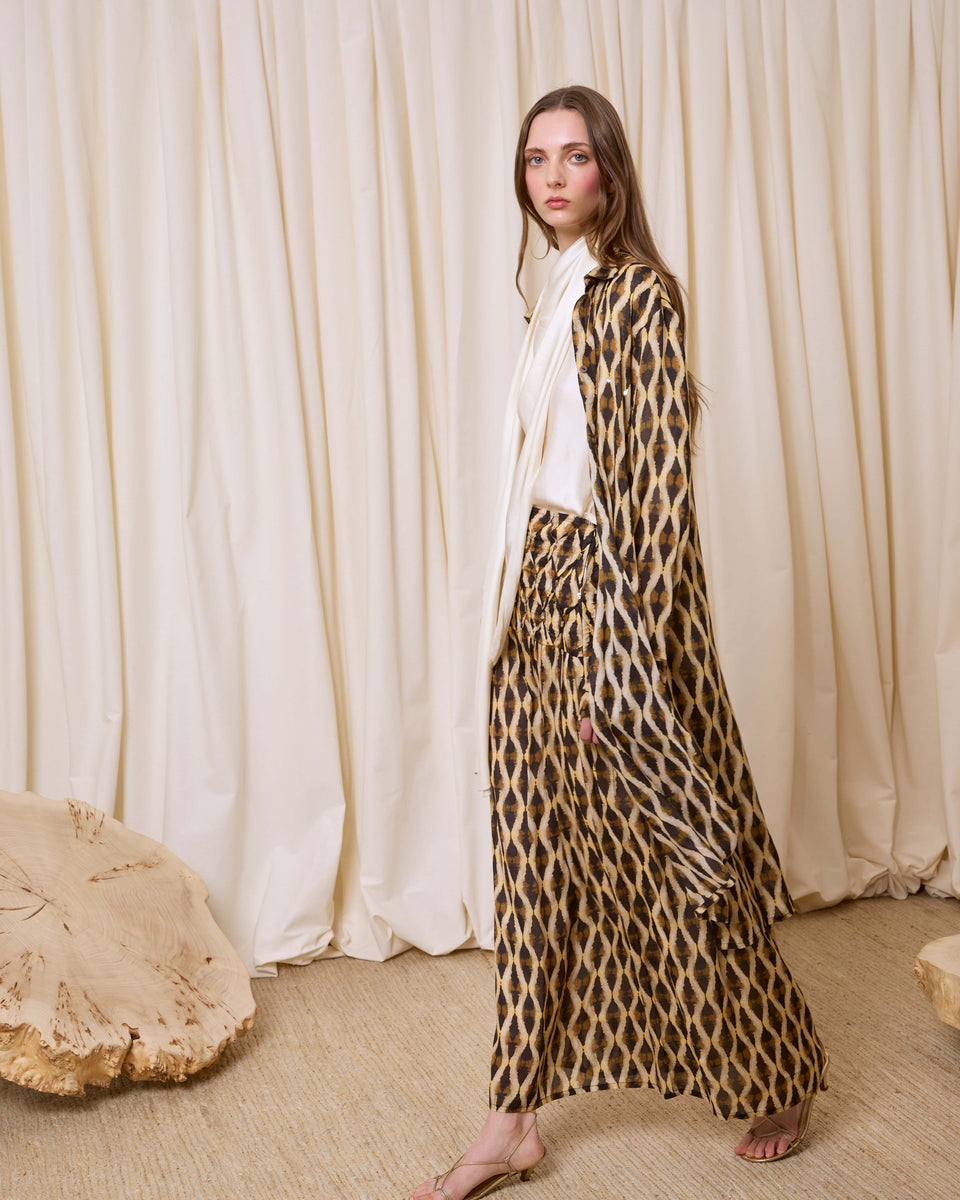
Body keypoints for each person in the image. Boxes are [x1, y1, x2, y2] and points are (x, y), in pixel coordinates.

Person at [412, 85, 828, 1200]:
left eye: (575, 156)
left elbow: (651, 493)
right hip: (535, 588)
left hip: (610, 598)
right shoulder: (555, 291)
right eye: (536, 158)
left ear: (611, 170)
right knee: (532, 859)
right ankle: (510, 1122)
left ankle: (779, 1066)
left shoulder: (637, 294)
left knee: (670, 846)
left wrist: (621, 660)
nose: (553, 176)